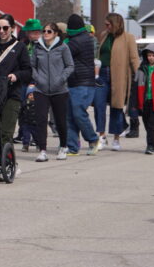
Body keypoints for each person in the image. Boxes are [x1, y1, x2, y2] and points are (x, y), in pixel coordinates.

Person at [0, 14, 32, 180]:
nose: (2, 31)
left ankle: (10, 164)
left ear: (12, 28)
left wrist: (16, 76)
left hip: (12, 94)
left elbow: (28, 71)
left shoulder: (19, 47)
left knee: (6, 131)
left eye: (5, 28)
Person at [29, 23, 74, 162]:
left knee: (60, 120)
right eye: (44, 31)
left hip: (59, 90)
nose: (46, 33)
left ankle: (63, 146)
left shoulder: (63, 47)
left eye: (49, 31)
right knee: (41, 120)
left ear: (56, 34)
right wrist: (37, 78)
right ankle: (42, 150)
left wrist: (61, 79)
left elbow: (70, 66)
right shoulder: (37, 48)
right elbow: (32, 66)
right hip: (41, 89)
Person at [98, 13, 140, 151]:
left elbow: (134, 58)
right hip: (103, 74)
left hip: (119, 76)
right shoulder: (105, 36)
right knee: (99, 106)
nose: (106, 27)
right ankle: (102, 137)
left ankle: (116, 139)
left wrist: (140, 76)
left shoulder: (128, 38)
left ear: (115, 24)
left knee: (116, 107)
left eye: (108, 24)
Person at [65, 14, 101, 156]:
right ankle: (73, 147)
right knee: (70, 115)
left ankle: (93, 139)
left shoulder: (76, 42)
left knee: (77, 112)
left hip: (81, 83)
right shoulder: (87, 38)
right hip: (77, 82)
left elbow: (63, 52)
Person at [17, 18, 43, 149]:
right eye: (32, 32)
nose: (34, 35)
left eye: (37, 32)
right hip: (23, 81)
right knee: (23, 111)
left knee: (35, 111)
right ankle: (25, 140)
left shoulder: (43, 46)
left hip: (36, 82)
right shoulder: (23, 45)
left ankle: (38, 140)